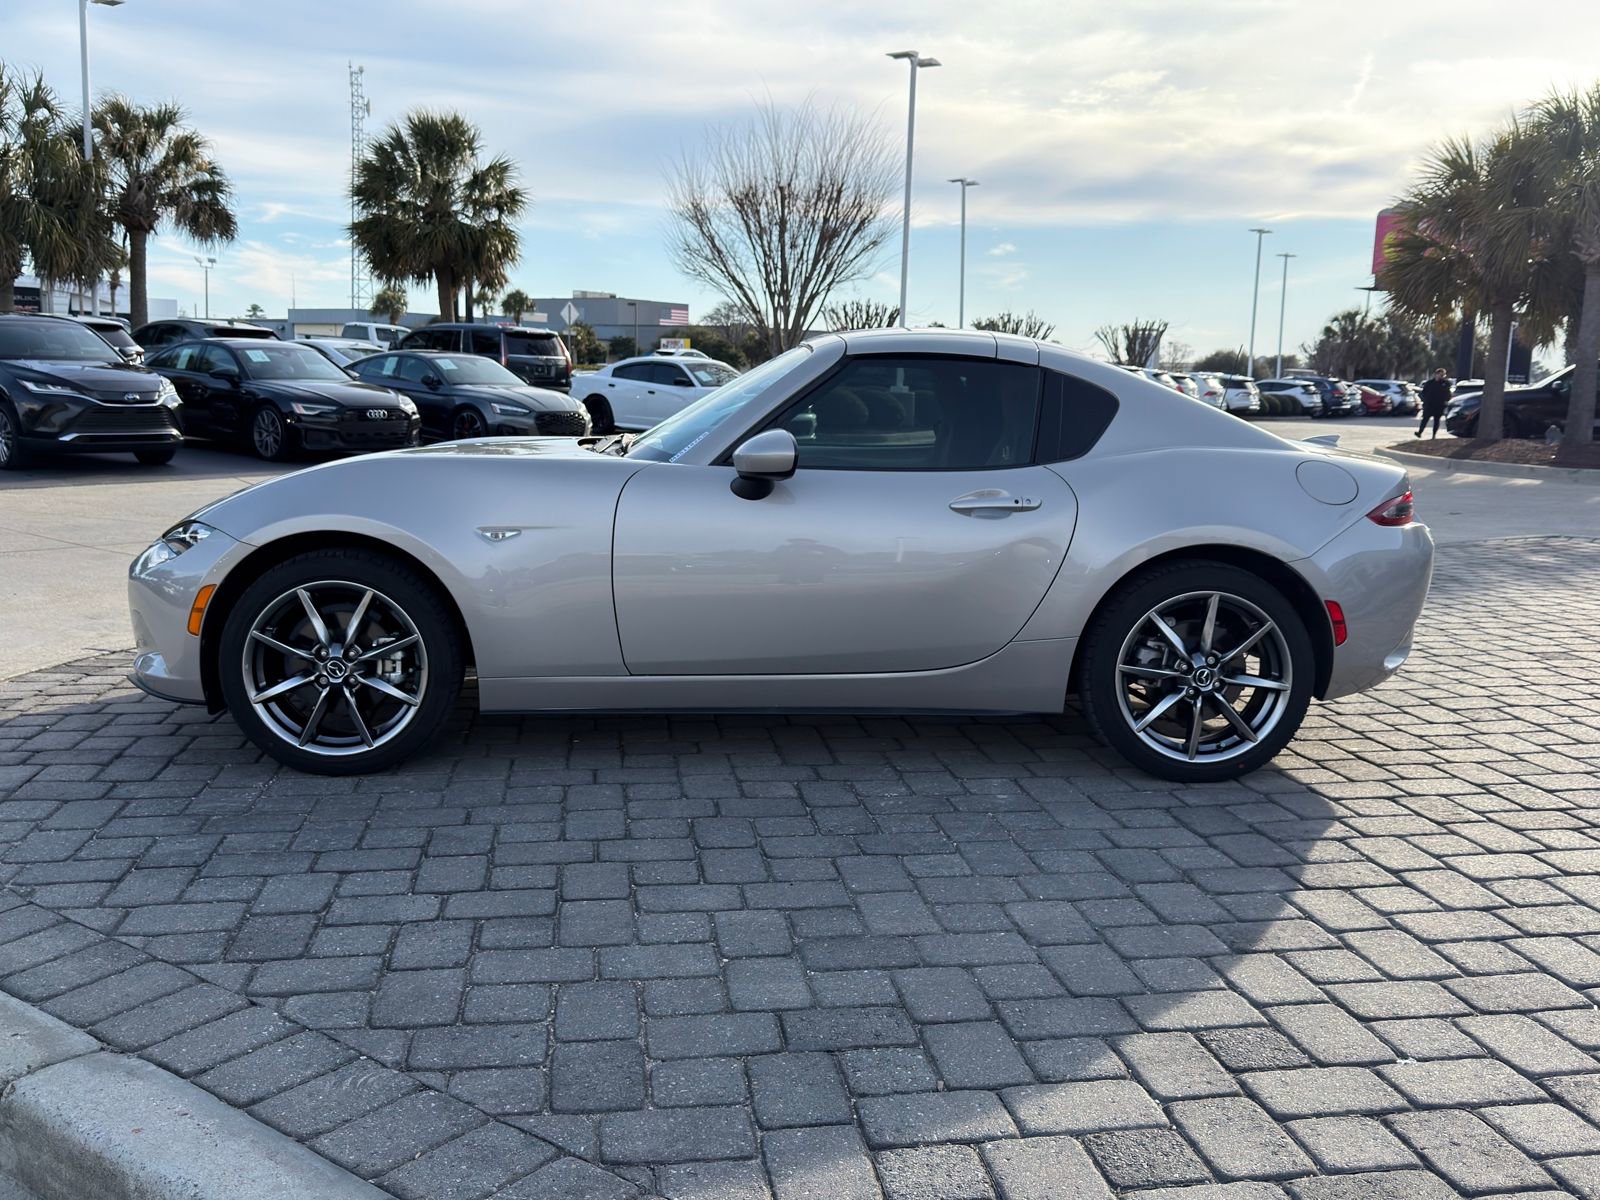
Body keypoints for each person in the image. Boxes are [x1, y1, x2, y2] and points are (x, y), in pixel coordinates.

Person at [1417, 368, 1450, 438]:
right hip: (1429, 405)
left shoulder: (1445, 383)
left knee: (1436, 420)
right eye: (1440, 374)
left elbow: (1448, 394)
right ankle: (1419, 432)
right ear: (1436, 374)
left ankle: (1434, 435)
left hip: (1439, 405)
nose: (1441, 376)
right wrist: (1424, 401)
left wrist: (1446, 401)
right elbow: (1423, 393)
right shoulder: (1429, 383)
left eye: (1443, 375)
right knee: (1425, 419)